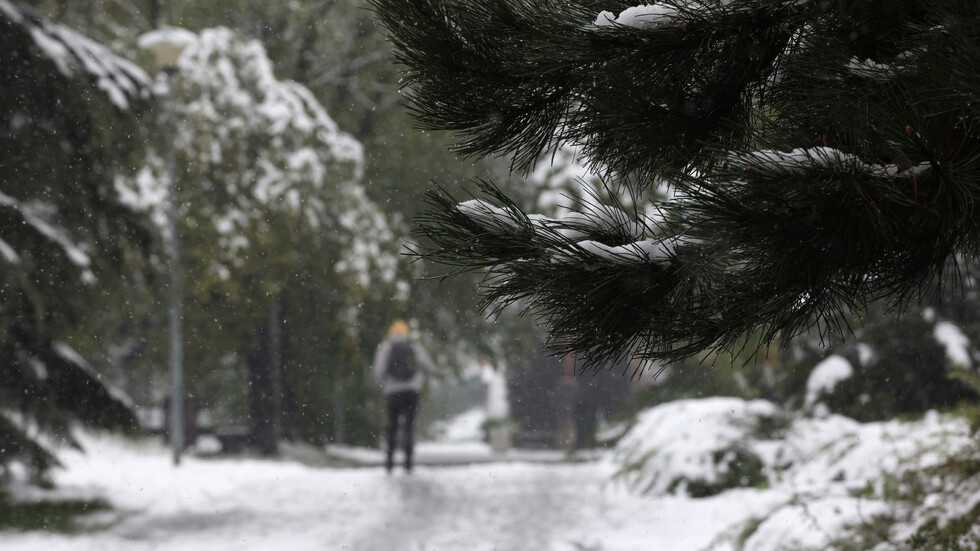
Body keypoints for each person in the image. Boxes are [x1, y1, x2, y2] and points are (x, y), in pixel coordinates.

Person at [372, 319, 435, 473]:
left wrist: (384, 385)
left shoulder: (385, 347)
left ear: (391, 332)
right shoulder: (414, 346)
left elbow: (378, 371)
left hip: (392, 392)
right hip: (412, 391)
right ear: (407, 332)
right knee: (409, 426)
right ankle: (408, 464)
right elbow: (429, 367)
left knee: (392, 427)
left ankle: (389, 464)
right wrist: (419, 379)